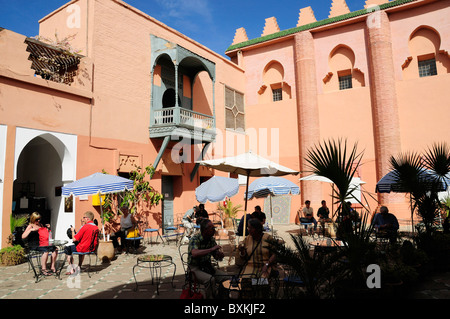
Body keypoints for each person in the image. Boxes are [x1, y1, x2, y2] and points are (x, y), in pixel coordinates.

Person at [188, 219, 228, 299]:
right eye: (212, 228)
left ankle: (221, 297)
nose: (214, 230)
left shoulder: (211, 239)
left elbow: (216, 256)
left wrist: (219, 255)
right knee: (210, 280)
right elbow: (194, 253)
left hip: (207, 267)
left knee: (226, 278)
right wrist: (211, 249)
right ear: (205, 230)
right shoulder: (195, 239)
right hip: (195, 269)